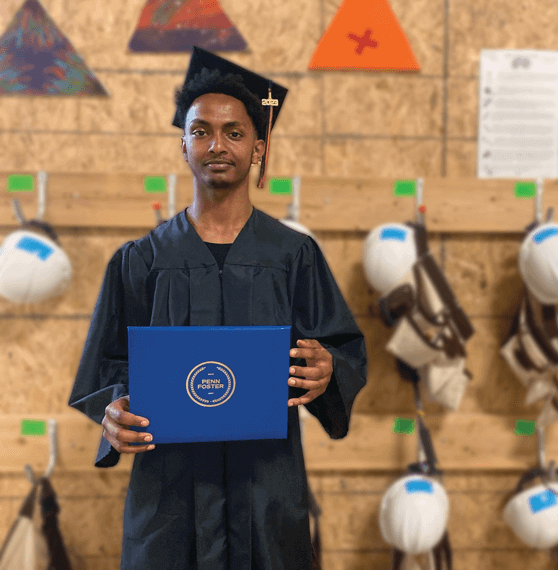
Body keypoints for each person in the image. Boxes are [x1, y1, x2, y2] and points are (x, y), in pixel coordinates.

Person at [68, 46, 367, 570]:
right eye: (200, 130)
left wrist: (328, 371)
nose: (216, 144)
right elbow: (107, 369)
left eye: (234, 132)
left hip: (265, 492)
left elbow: (341, 350)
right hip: (170, 500)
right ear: (182, 145)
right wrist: (113, 412)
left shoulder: (294, 255)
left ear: (258, 147)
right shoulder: (141, 261)